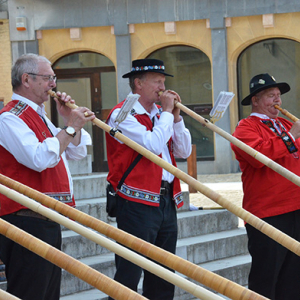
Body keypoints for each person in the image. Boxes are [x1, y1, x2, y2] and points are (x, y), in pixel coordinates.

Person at [0, 53, 95, 300]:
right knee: (30, 292)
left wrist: (67, 120)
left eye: (54, 78)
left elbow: (76, 150)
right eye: (48, 78)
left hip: (44, 217)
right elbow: (39, 158)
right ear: (26, 80)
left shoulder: (39, 114)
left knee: (48, 294)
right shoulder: (10, 117)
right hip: (24, 219)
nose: (54, 84)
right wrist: (71, 126)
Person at [106, 58, 192, 300]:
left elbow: (184, 151)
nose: (162, 88)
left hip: (165, 199)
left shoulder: (161, 114)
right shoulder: (122, 114)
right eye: (157, 82)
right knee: (130, 270)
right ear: (138, 84)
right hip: (135, 202)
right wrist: (166, 112)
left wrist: (175, 118)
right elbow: (152, 145)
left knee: (164, 271)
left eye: (163, 82)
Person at [231, 73, 300, 299]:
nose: (277, 101)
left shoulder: (285, 124)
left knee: (294, 277)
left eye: (278, 96)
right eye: (271, 96)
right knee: (266, 277)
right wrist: (292, 135)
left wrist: (290, 132)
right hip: (268, 212)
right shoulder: (245, 127)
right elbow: (259, 156)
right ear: (256, 100)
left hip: (296, 208)